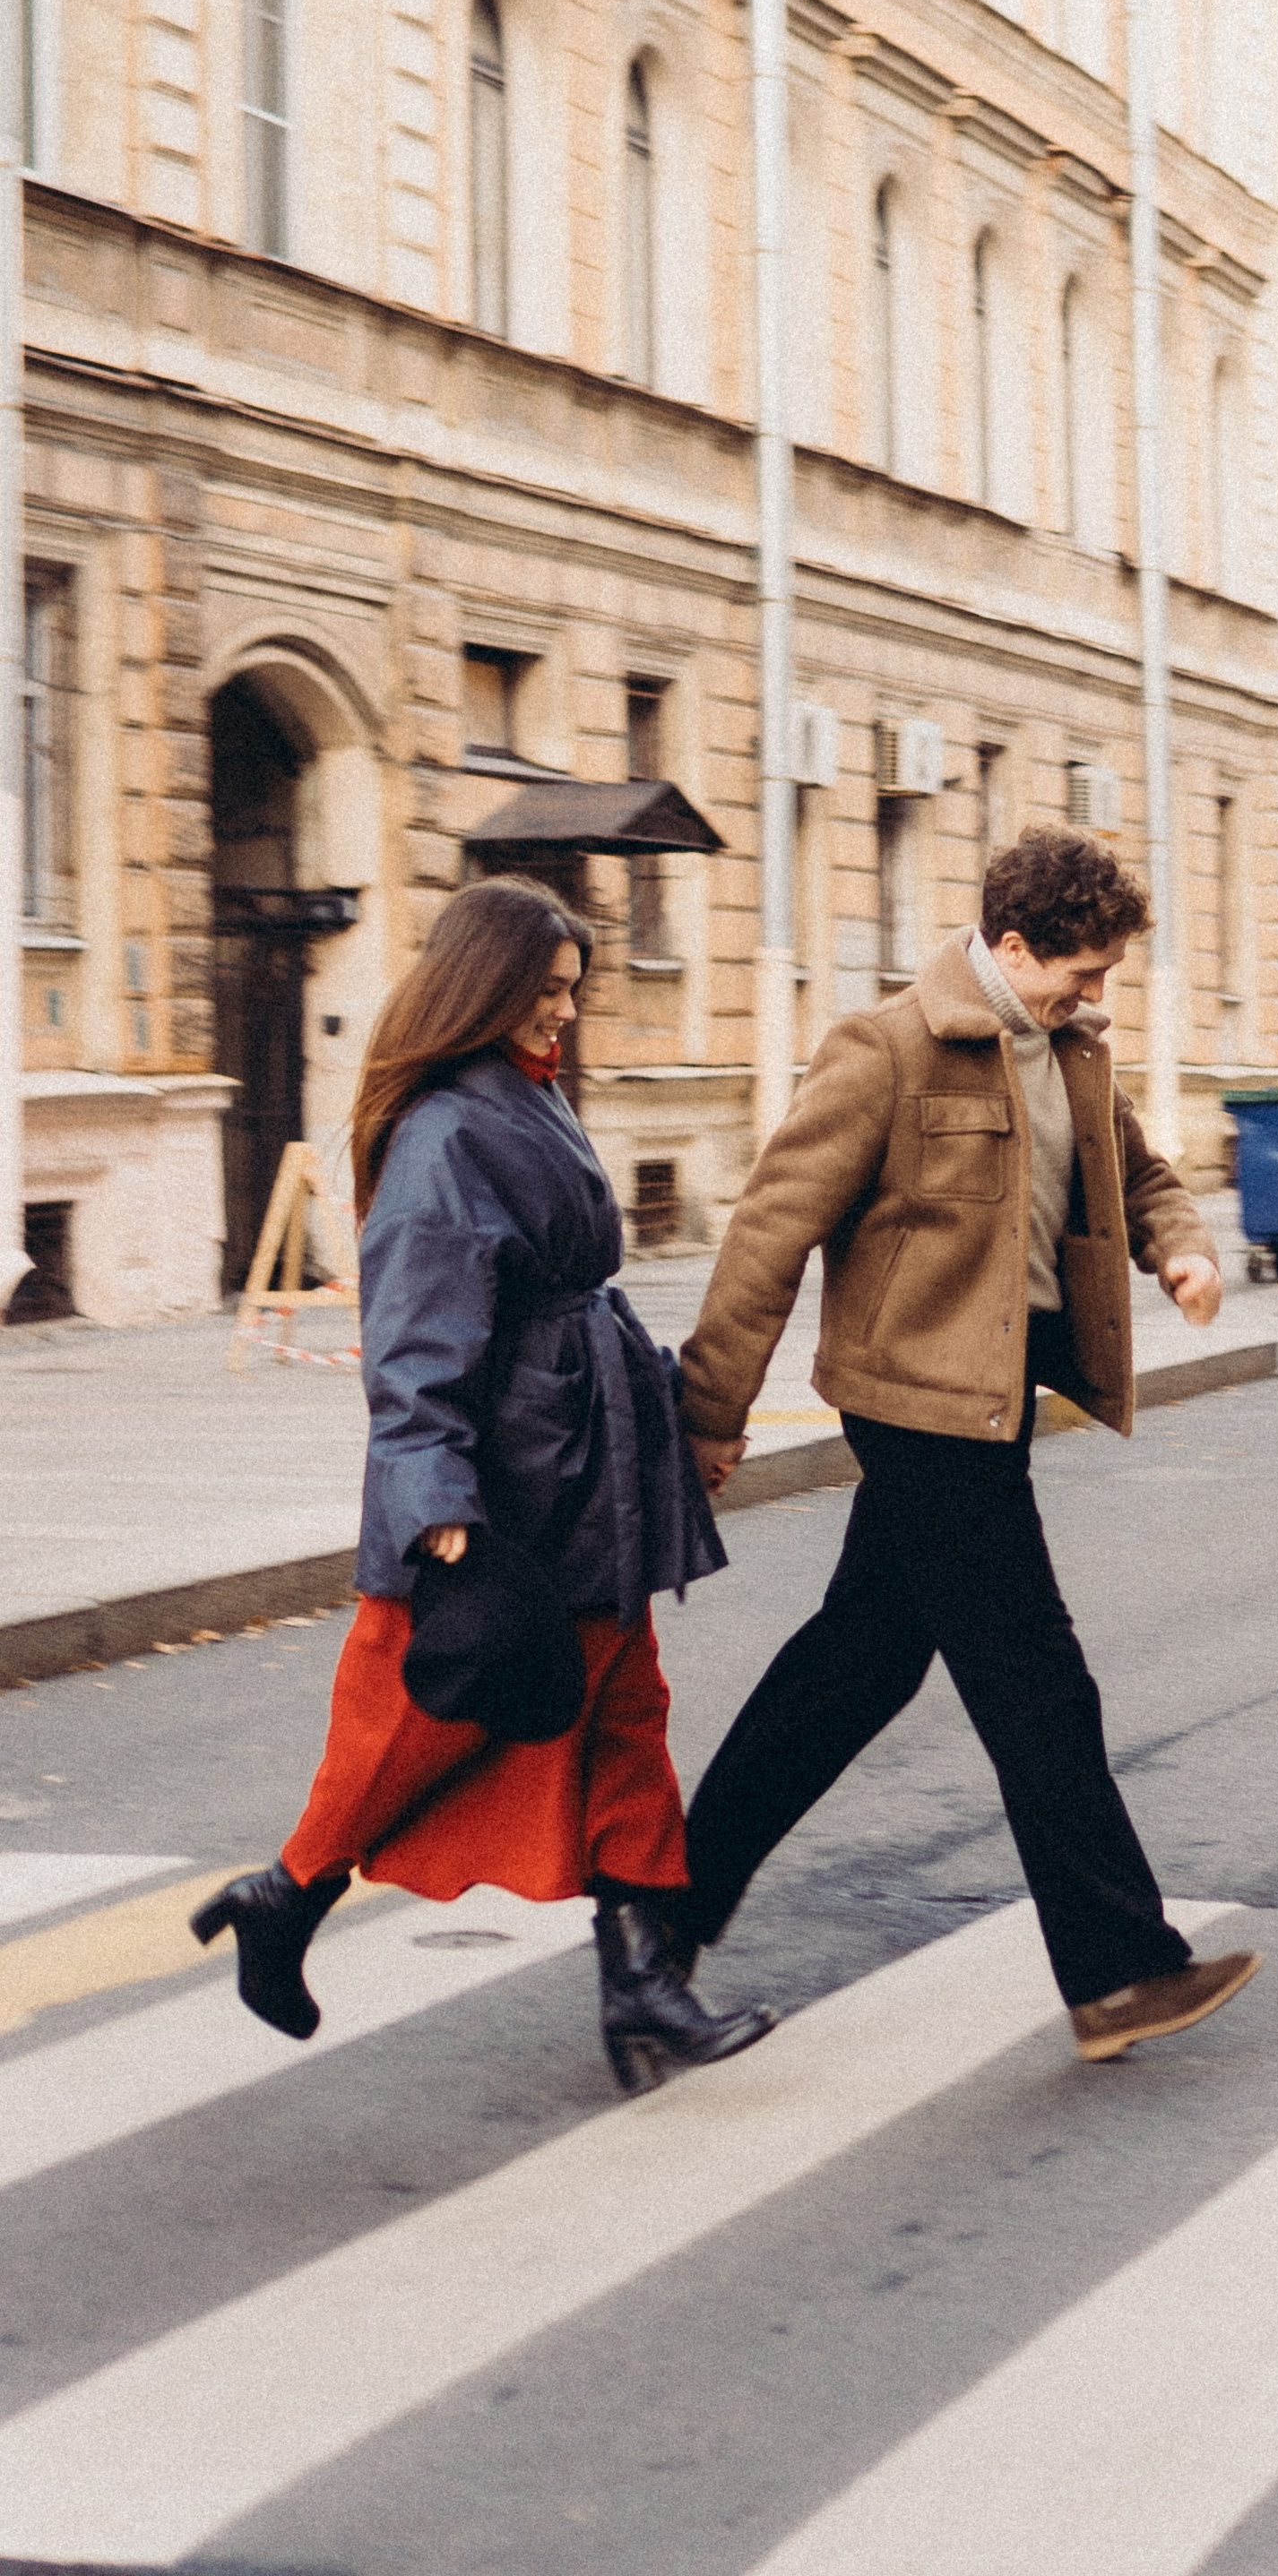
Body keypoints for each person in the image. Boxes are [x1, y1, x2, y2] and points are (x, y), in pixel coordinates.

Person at [672, 826, 1261, 2061]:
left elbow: (1144, 1176)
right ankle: (1117, 1974)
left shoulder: (1074, 1052)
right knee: (1037, 1681)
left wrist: (1183, 1248)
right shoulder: (888, 1050)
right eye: (1079, 973)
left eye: (1103, 977)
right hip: (916, 1403)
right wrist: (709, 1414)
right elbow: (769, 1234)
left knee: (857, 1665)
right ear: (1008, 948)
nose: (1096, 997)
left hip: (994, 1404)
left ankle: (661, 1908)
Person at [191, 875, 773, 2095]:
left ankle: (643, 1984)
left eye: (572, 991)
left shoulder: (523, 1096)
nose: (565, 1012)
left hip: (583, 1463)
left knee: (625, 1714)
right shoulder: (447, 1129)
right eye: (547, 992)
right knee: (408, 1723)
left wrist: (666, 1414)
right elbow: (412, 1342)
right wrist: (437, 1507)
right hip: (500, 1485)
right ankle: (286, 1899)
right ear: (488, 987)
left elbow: (571, 1300)